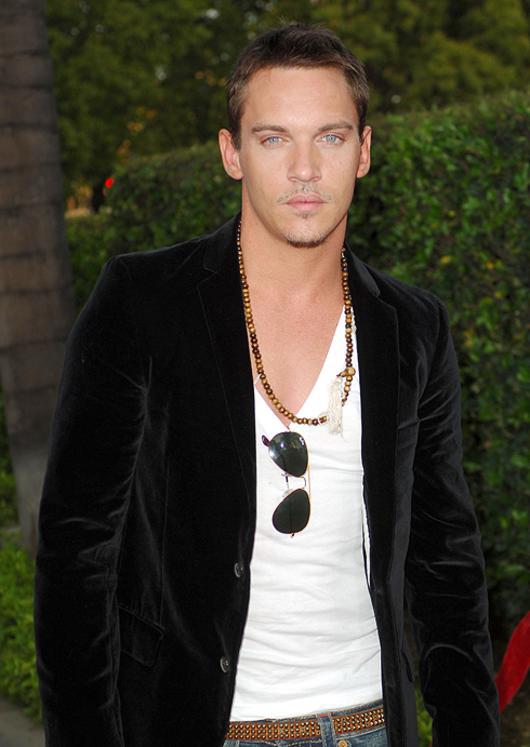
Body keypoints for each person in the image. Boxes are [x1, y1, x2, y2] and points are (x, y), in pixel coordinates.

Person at [34, 23, 500, 747]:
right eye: (275, 138)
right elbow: (77, 555)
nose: (305, 169)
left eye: (331, 137)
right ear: (233, 153)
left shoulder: (412, 327)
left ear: (364, 151)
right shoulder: (144, 302)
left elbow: (447, 566)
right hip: (203, 727)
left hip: (369, 725)